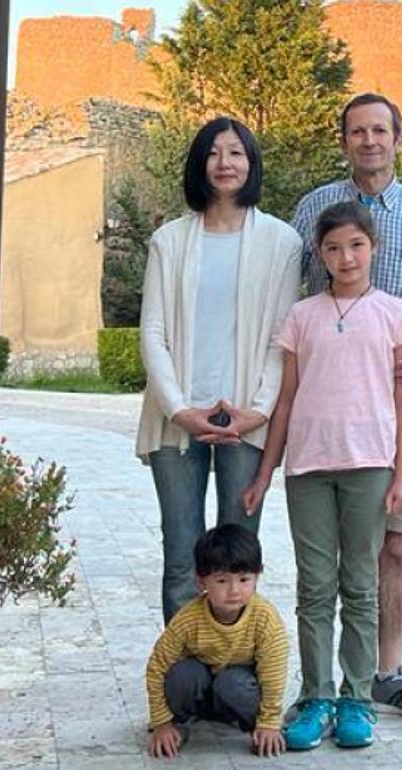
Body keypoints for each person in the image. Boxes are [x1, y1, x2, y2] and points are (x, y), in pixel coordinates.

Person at [291, 94, 402, 721]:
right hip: (329, 414)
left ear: (399, 138)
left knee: (393, 546)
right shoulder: (314, 209)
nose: (368, 140)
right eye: (356, 131)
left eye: (379, 130)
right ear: (342, 140)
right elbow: (286, 298)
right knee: (325, 560)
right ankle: (323, 688)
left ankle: (385, 675)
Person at [242, 202, 402, 751]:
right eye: (335, 248)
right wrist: (265, 473)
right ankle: (316, 695)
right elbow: (286, 400)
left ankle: (356, 699)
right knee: (314, 588)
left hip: (369, 467)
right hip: (309, 470)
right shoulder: (302, 316)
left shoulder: (395, 313)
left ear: (374, 248)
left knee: (360, 586)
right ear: (321, 254)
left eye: (356, 246)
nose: (346, 257)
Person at [137, 117, 303, 625]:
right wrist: (180, 410)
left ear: (250, 164)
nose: (225, 163)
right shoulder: (170, 240)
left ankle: (235, 680)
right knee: (182, 559)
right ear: (199, 164)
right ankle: (186, 680)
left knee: (238, 559)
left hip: (246, 422)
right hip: (177, 421)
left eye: (236, 153)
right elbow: (153, 334)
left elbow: (283, 336)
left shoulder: (281, 242)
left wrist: (258, 410)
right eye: (213, 152)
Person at [144, 524, 289, 759]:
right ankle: (180, 723)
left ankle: (249, 726)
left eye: (244, 580)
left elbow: (273, 672)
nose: (234, 590)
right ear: (201, 583)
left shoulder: (265, 618)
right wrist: (161, 722)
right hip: (203, 685)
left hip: (238, 685)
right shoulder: (188, 619)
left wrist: (269, 723)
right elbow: (157, 667)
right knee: (181, 674)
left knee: (233, 684)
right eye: (222, 581)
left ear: (257, 577)